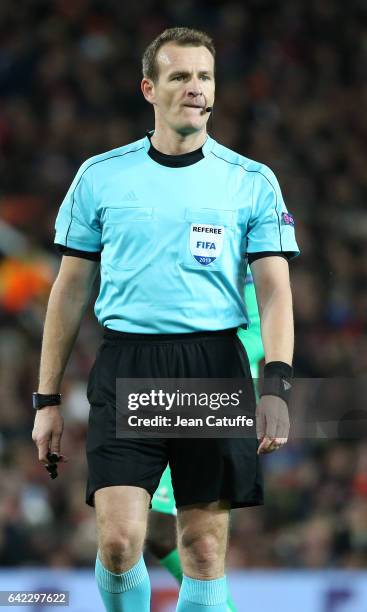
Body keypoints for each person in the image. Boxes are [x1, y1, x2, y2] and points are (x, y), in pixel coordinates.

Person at [32, 27, 299, 612]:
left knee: (203, 551)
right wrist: (45, 399)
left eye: (205, 76)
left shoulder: (250, 180)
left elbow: (276, 293)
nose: (195, 88)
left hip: (213, 368)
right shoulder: (100, 176)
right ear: (149, 88)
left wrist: (276, 382)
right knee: (121, 541)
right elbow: (69, 291)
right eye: (180, 76)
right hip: (130, 362)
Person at [147, 268, 264, 612]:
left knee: (172, 527)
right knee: (160, 527)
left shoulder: (245, 237)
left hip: (218, 385)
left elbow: (265, 323)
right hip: (179, 382)